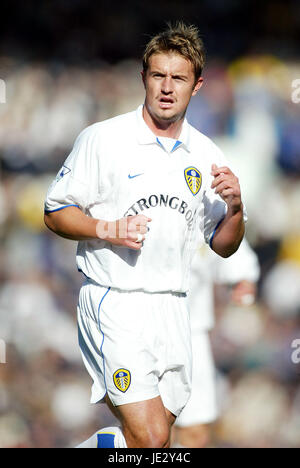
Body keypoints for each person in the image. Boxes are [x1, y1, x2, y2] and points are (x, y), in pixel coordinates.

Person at [44, 22, 246, 449]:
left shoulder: (206, 153)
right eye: (158, 75)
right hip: (116, 300)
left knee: (153, 446)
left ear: (198, 86)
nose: (167, 88)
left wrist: (236, 209)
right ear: (143, 79)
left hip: (175, 310)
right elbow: (55, 210)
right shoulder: (104, 139)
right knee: (151, 439)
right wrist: (107, 228)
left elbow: (223, 246)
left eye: (178, 78)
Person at [172, 237, 260, 448]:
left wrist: (242, 279)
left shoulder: (206, 203)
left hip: (192, 332)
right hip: (139, 329)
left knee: (196, 433)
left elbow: (229, 240)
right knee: (150, 433)